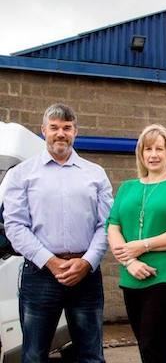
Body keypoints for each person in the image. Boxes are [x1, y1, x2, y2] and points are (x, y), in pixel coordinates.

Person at [3, 103, 113, 363]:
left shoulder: (95, 174)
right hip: (40, 274)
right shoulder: (22, 174)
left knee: (91, 355)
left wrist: (87, 262)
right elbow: (15, 226)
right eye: (54, 127)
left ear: (75, 132)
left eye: (67, 128)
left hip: (85, 276)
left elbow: (107, 224)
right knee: (33, 355)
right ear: (44, 131)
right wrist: (51, 262)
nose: (60, 133)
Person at [106, 123, 166, 363]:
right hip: (132, 275)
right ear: (140, 153)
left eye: (159, 149)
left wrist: (143, 246)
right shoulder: (128, 187)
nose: (153, 154)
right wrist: (129, 261)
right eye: (147, 149)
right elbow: (113, 227)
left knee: (153, 345)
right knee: (147, 348)